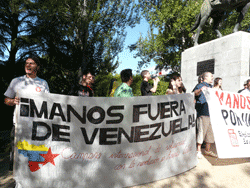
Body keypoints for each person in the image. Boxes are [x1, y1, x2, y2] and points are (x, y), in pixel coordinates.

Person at [4, 56, 50, 172]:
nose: (28, 65)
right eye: (26, 63)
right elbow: (6, 100)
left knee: (34, 158)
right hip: (19, 126)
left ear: (37, 67)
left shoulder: (43, 83)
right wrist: (12, 101)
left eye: (32, 63)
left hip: (37, 127)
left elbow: (49, 103)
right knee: (17, 159)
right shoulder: (16, 81)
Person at [193, 72, 218, 159]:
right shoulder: (200, 85)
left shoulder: (212, 87)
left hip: (211, 113)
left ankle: (207, 150)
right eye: (211, 76)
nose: (212, 78)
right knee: (201, 131)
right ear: (205, 77)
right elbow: (195, 93)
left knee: (210, 133)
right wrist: (200, 89)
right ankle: (198, 151)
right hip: (203, 112)